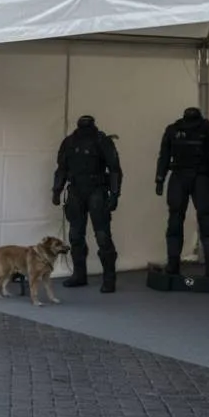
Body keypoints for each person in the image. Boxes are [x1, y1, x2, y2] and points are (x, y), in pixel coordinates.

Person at [53, 115, 123, 293]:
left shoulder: (102, 140)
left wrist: (114, 195)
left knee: (102, 235)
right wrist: (57, 189)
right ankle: (79, 274)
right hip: (76, 190)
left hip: (97, 190)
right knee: (75, 235)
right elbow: (61, 168)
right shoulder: (69, 142)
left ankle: (109, 278)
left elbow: (114, 169)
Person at [155, 107, 209, 277]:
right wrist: (160, 178)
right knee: (177, 220)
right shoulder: (174, 129)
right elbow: (164, 155)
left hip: (198, 176)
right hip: (184, 176)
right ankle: (174, 264)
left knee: (205, 221)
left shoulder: (208, 130)